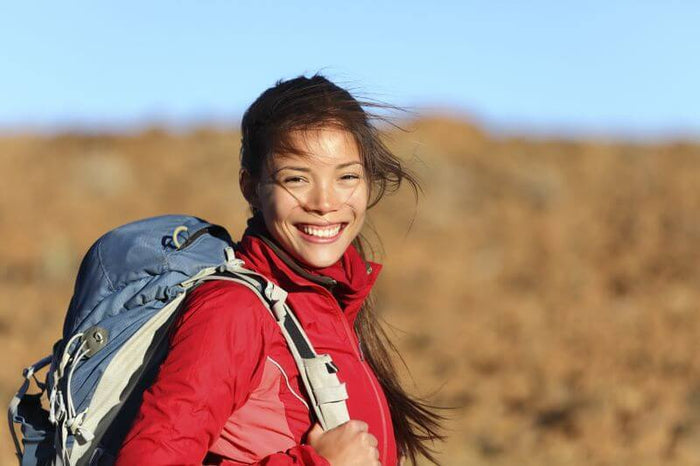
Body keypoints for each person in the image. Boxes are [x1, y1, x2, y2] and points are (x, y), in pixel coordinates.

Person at [114, 74, 442, 466]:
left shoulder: (326, 305)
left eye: (347, 176)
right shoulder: (232, 311)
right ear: (250, 187)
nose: (325, 202)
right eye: (296, 179)